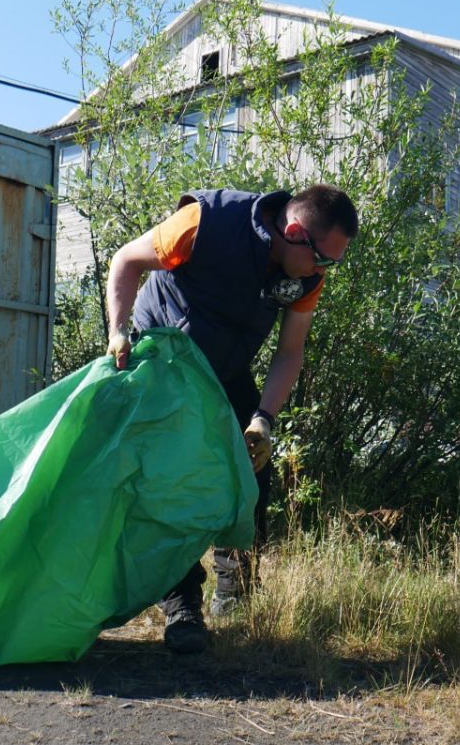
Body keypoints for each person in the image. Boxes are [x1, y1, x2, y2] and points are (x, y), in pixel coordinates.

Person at [104, 185, 358, 654]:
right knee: (170, 484)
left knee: (252, 470)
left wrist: (264, 418)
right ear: (296, 232)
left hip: (224, 368)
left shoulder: (304, 275)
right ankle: (182, 607)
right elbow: (126, 261)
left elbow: (290, 352)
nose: (324, 271)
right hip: (163, 360)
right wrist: (118, 331)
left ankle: (234, 587)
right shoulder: (206, 224)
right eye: (323, 260)